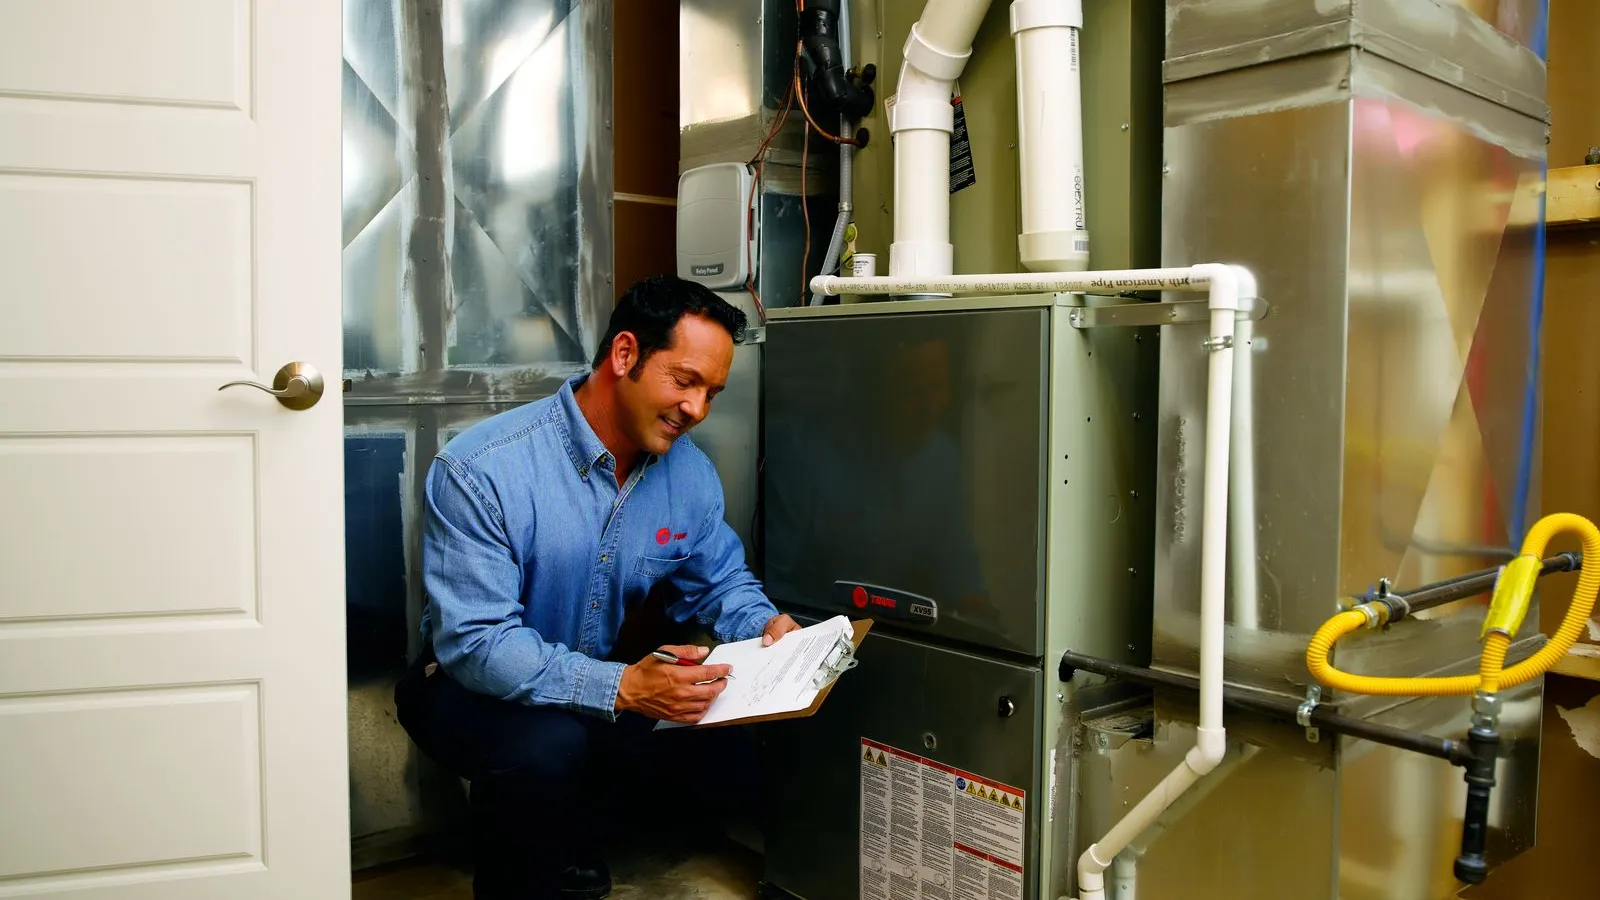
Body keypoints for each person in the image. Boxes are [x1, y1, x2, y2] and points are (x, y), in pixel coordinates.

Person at [394, 275, 800, 900]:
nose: (697, 410)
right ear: (625, 355)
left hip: (592, 681)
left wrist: (767, 627)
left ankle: (565, 832)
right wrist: (625, 687)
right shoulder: (482, 469)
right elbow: (477, 646)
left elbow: (720, 582)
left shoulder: (687, 472)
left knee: (730, 767)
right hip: (460, 684)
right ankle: (528, 873)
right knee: (545, 748)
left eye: (712, 393)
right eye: (684, 380)